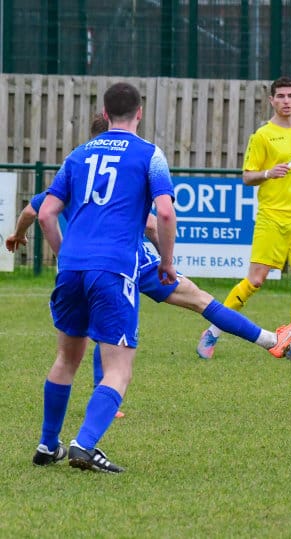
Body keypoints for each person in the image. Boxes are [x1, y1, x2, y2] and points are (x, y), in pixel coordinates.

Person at [7, 116, 291, 422]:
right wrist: (166, 260)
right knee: (200, 301)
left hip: (87, 265)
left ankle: (99, 400)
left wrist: (19, 235)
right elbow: (152, 223)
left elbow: (34, 211)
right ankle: (270, 340)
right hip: (132, 258)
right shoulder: (131, 163)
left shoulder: (78, 170)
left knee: (100, 330)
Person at [32, 82, 175, 473]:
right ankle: (84, 444)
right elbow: (164, 213)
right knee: (118, 369)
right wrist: (166, 262)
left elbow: (45, 214)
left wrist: (66, 256)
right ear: (139, 113)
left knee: (66, 358)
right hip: (113, 268)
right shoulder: (149, 154)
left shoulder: (78, 154)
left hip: (72, 268)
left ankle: (48, 444)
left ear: (105, 113)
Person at [197, 76, 291, 362]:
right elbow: (247, 176)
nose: (286, 101)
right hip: (271, 217)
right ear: (271, 100)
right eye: (281, 96)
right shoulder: (262, 135)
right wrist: (268, 173)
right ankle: (212, 331)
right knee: (255, 281)